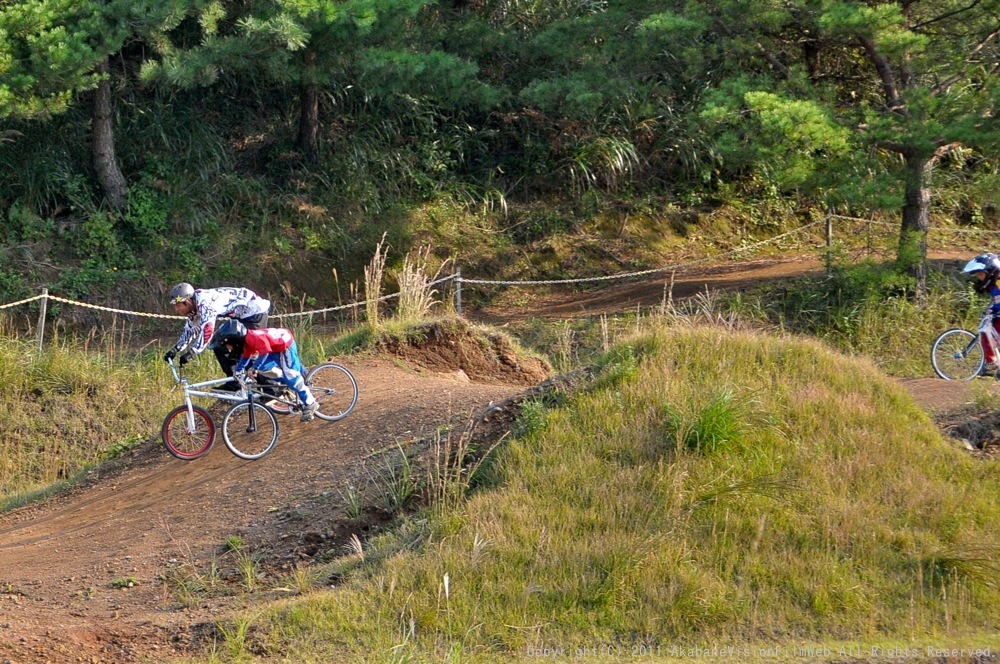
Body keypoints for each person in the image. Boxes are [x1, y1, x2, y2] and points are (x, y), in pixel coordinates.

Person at [207, 319, 318, 422]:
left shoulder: (253, 337)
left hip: (285, 345)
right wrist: (238, 371)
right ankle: (286, 381)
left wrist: (254, 368)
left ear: (234, 340)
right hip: (275, 349)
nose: (229, 349)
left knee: (291, 376)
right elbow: (246, 357)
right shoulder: (247, 342)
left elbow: (265, 351)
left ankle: (310, 402)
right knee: (264, 368)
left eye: (228, 345)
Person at [163, 283, 271, 384]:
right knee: (219, 345)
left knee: (247, 352)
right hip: (242, 316)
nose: (176, 309)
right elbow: (190, 331)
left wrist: (192, 352)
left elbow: (208, 330)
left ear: (187, 301)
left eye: (178, 305)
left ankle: (269, 387)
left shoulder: (205, 303)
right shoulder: (194, 305)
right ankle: (234, 382)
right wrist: (175, 350)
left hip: (255, 313)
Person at [961, 253, 1000, 371]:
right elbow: (997, 301)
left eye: (981, 274)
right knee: (986, 330)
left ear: (990, 272)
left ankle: (992, 362)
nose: (980, 278)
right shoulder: (993, 286)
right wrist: (990, 310)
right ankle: (991, 362)